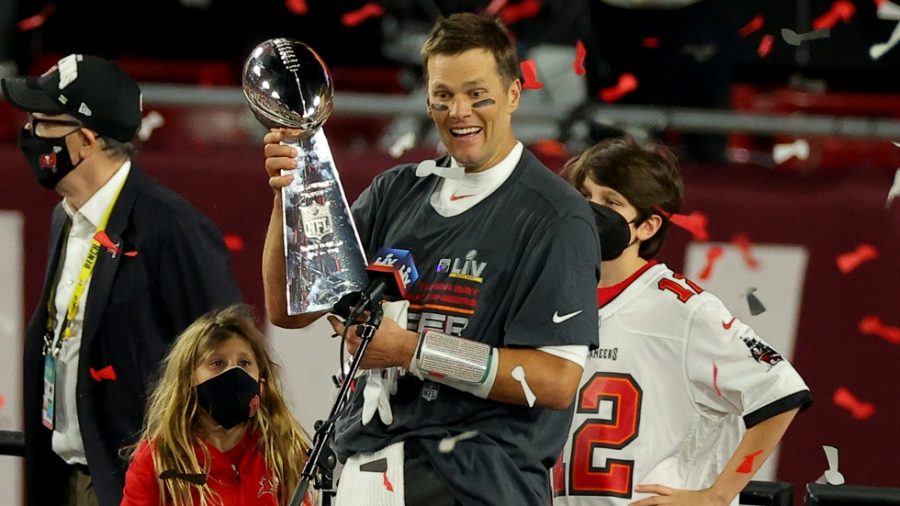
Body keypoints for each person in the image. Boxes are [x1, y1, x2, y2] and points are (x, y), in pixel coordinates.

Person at [262, 12, 602, 506]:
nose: (459, 112)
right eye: (442, 96)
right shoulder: (394, 192)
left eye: (477, 95)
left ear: (513, 94)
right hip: (367, 468)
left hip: (476, 483)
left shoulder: (556, 216)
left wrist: (412, 351)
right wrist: (287, 196)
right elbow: (291, 311)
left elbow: (556, 379)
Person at [0, 54, 242, 506]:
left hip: (138, 489)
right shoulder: (67, 218)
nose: (29, 134)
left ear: (86, 139)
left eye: (43, 123)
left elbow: (230, 374)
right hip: (64, 478)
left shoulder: (173, 230)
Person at [552, 136, 811, 505]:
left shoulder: (683, 310)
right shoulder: (550, 297)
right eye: (583, 195)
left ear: (648, 226)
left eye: (611, 202)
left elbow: (781, 389)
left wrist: (716, 496)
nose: (590, 210)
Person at [120, 304, 313, 506]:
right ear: (188, 380)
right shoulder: (159, 457)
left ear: (261, 384)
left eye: (244, 363)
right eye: (217, 363)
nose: (233, 374)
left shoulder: (283, 450)